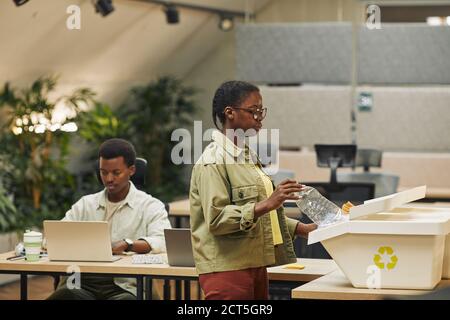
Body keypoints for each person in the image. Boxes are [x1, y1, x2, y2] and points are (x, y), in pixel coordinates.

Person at [189, 80, 318, 300]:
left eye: (261, 111)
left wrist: (301, 229)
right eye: (253, 111)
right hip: (227, 267)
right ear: (230, 113)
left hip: (254, 262)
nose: (259, 118)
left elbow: (259, 214)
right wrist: (269, 202)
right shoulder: (213, 161)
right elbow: (218, 219)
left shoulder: (246, 156)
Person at [47, 138, 172, 300]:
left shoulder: (150, 206)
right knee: (63, 296)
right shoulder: (86, 204)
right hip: (81, 282)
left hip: (126, 285)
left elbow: (162, 241)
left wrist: (128, 244)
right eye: (103, 172)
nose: (109, 179)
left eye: (116, 172)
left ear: (132, 170)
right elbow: (55, 236)